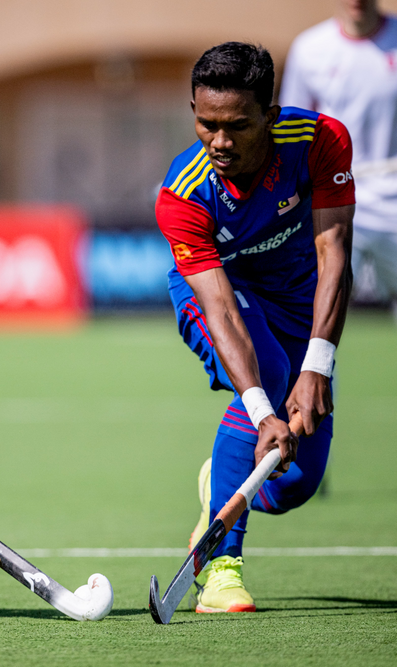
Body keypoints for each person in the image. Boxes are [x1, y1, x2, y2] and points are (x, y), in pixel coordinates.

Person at [155, 42, 355, 613]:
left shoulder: (319, 140)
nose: (219, 142)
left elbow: (335, 252)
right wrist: (264, 412)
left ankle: (219, 479)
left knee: (294, 486)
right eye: (206, 124)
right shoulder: (183, 193)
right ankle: (221, 569)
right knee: (265, 376)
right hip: (219, 292)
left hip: (296, 293)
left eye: (238, 126)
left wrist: (318, 366)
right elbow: (220, 308)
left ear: (270, 115)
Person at [280, 0, 397, 321]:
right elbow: (293, 133)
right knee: (317, 310)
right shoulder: (309, 48)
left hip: (394, 201)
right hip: (334, 198)